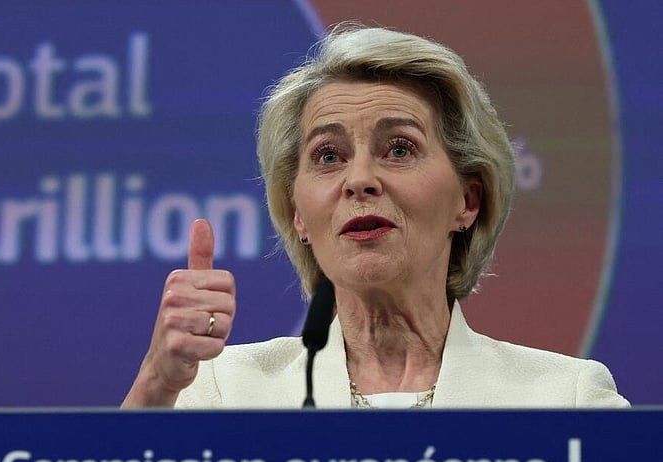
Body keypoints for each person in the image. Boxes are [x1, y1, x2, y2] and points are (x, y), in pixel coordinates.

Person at [121, 25, 629, 409]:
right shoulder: (225, 391)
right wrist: (157, 382)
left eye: (399, 148)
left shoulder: (564, 398)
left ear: (468, 200)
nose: (359, 179)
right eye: (328, 156)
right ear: (299, 214)